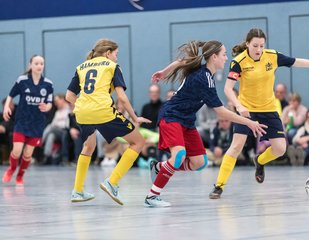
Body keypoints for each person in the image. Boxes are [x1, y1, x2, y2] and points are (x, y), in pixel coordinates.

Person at [209, 28, 309, 199]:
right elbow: (227, 89)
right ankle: (219, 186)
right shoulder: (239, 62)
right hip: (247, 110)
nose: (259, 49)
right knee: (236, 146)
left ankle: (260, 161)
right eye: (255, 45)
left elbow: (297, 62)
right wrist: (239, 106)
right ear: (247, 44)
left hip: (269, 110)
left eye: (262, 45)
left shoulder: (272, 56)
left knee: (280, 149)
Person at [144, 40, 267, 207]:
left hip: (186, 120)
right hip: (172, 116)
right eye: (223, 54)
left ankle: (160, 167)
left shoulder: (203, 71)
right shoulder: (205, 79)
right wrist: (249, 122)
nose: (226, 58)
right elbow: (221, 112)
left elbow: (182, 61)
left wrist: (164, 72)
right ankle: (152, 196)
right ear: (214, 57)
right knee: (179, 155)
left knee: (200, 162)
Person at [66, 39, 151, 204]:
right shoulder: (112, 67)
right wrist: (135, 117)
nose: (117, 58)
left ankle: (77, 191)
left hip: (82, 112)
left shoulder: (82, 66)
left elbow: (69, 96)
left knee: (88, 146)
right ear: (108, 53)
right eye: (116, 54)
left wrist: (85, 107)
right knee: (138, 142)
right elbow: (121, 97)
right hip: (103, 111)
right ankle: (112, 182)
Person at [2, 55, 54, 185]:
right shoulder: (22, 80)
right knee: (17, 150)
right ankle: (11, 169)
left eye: (41, 63)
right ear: (30, 65)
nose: (39, 66)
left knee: (27, 154)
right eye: (36, 63)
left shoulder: (48, 84)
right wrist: (7, 107)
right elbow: (11, 95)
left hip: (37, 124)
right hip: (22, 121)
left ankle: (20, 176)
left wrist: (47, 106)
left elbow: (50, 102)